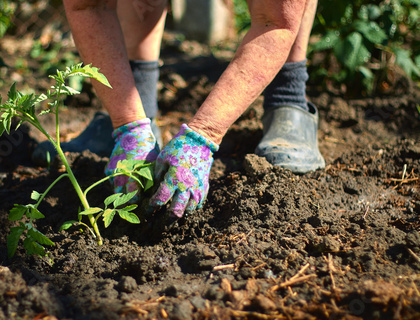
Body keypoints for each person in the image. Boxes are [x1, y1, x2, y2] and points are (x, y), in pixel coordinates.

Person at [33, 0, 325, 218]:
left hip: (276, 19)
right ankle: (140, 107)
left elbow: (275, 22)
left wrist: (203, 134)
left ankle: (289, 96)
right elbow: (88, 6)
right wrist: (128, 123)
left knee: (280, 8)